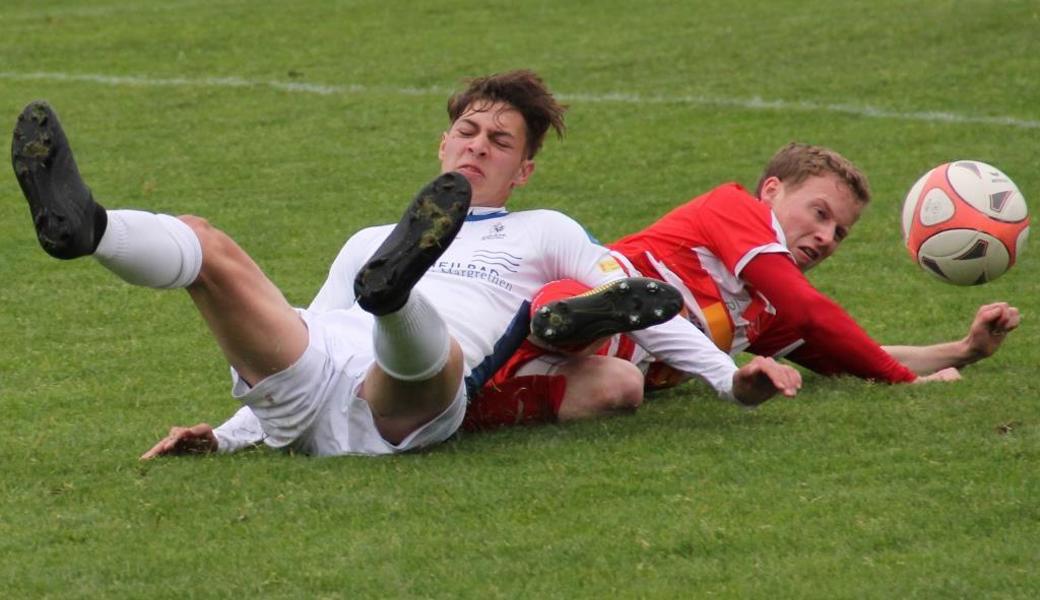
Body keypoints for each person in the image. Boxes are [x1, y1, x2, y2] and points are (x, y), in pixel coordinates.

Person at [12, 70, 799, 459]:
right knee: (205, 244)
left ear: (522, 171)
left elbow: (638, 300)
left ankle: (399, 297)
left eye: (499, 142)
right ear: (442, 143)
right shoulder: (365, 236)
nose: (477, 146)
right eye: (468, 131)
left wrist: (725, 378)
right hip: (310, 383)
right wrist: (222, 437)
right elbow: (314, 331)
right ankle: (90, 227)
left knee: (419, 337)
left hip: (406, 402)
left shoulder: (542, 229)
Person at [463, 142, 1020, 430]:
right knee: (569, 305)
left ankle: (475, 407)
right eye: (819, 213)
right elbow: (814, 310)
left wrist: (964, 350)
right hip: (530, 312)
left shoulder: (766, 309)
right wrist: (905, 383)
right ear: (772, 191)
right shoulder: (732, 209)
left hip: (590, 369)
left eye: (840, 233)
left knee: (620, 389)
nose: (826, 238)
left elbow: (856, 359)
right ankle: (587, 313)